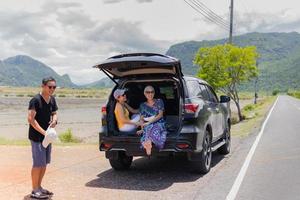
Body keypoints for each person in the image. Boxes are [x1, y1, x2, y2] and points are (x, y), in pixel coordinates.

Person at [27, 77, 58, 199]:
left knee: (44, 164)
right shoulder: (35, 100)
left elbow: (54, 112)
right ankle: (34, 190)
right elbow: (31, 119)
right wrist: (43, 132)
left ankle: (39, 187)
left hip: (47, 136)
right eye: (50, 87)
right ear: (43, 86)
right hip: (36, 137)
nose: (52, 89)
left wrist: (55, 120)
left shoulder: (52, 99)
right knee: (37, 164)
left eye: (54, 87)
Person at [139, 85, 167, 156]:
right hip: (147, 124)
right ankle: (148, 144)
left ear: (154, 93)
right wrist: (142, 129)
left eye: (152, 92)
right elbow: (141, 119)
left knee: (152, 127)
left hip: (159, 122)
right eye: (148, 92)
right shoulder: (142, 105)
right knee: (148, 127)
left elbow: (160, 115)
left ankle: (147, 143)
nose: (150, 94)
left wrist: (148, 123)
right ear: (144, 93)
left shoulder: (159, 101)